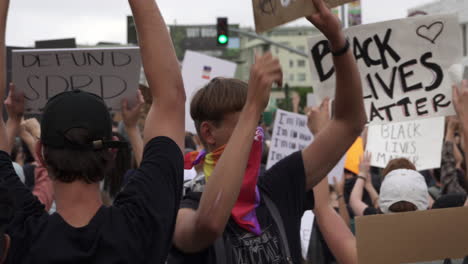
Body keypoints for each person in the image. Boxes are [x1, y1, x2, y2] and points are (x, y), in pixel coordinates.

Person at [168, 0, 366, 262]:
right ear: (208, 132)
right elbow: (209, 224)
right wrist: (252, 106)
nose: (257, 132)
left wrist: (337, 41)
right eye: (245, 124)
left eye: (259, 121)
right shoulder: (182, 208)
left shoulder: (275, 188)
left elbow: (349, 122)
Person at [1, 0, 185, 262]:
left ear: (40, 153)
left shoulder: (20, 233)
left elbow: (171, 99)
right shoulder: (141, 224)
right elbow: (171, 99)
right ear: (111, 152)